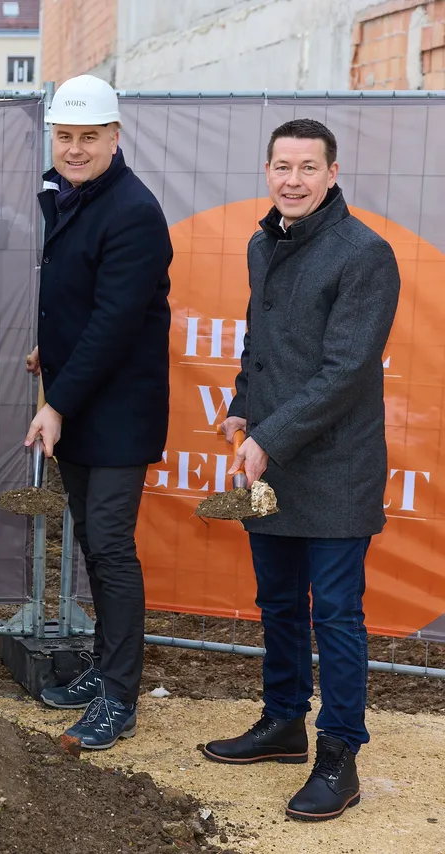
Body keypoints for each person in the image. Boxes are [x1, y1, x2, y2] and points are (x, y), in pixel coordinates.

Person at [201, 119, 400, 822]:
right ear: (267, 172)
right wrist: (239, 407)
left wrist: (270, 439)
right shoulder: (264, 244)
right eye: (281, 166)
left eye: (307, 168)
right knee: (278, 604)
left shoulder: (365, 254)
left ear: (332, 173)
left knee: (337, 616)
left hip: (336, 468)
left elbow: (346, 372)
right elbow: (262, 343)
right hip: (274, 461)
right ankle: (284, 721)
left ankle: (339, 755)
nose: (293, 180)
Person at [24, 74, 172, 750]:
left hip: (116, 414)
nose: (75, 148)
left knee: (109, 548)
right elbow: (83, 304)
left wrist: (56, 401)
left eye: (89, 136)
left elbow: (115, 324)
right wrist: (48, 351)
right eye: (65, 136)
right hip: (84, 402)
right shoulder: (74, 198)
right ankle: (105, 669)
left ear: (116, 137)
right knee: (91, 541)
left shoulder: (133, 212)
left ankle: (118, 694)